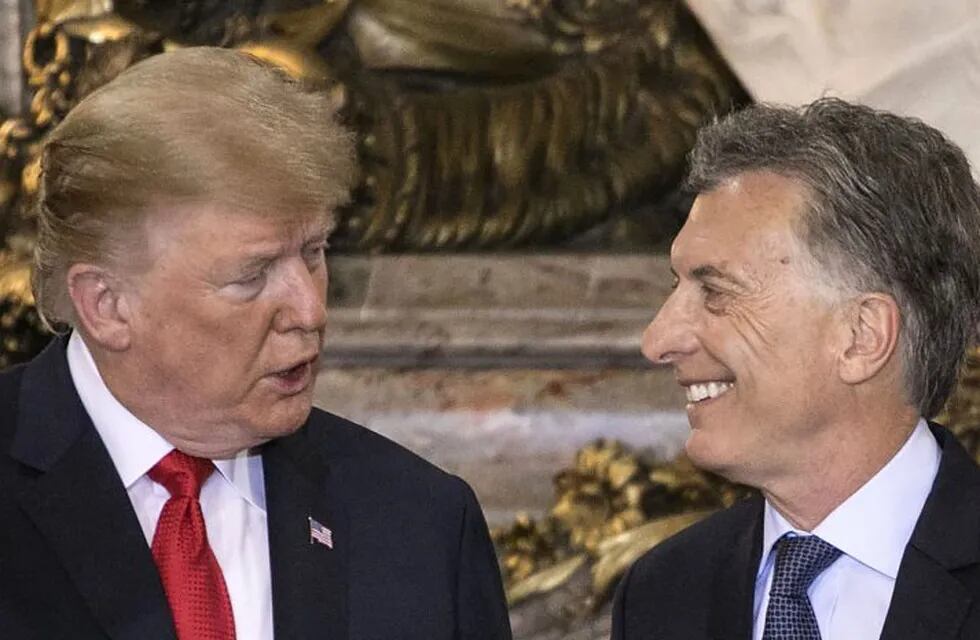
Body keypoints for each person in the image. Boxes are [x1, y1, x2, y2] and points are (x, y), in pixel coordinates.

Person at [0, 47, 512, 639]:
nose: (311, 310)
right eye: (253, 276)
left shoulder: (418, 524)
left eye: (314, 252)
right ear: (107, 305)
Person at [611, 98, 980, 640]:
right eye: (676, 286)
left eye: (715, 291)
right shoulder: (663, 594)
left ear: (861, 337)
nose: (657, 339)